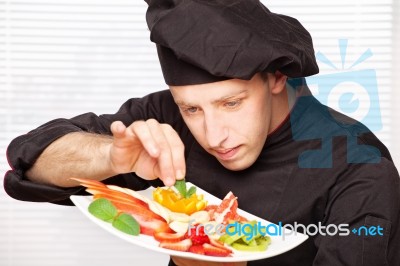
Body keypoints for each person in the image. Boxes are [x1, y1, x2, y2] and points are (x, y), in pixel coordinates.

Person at [4, 0, 400, 266]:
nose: (213, 136)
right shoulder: (163, 116)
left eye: (232, 103)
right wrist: (111, 157)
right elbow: (31, 162)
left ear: (277, 77)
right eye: (191, 109)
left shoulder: (360, 167)